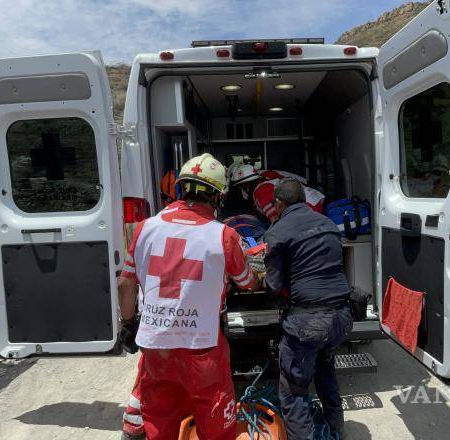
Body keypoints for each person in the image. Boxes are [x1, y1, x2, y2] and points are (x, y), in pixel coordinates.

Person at [118, 153, 260, 440]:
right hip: (203, 349)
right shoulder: (225, 236)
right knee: (217, 428)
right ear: (218, 197)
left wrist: (129, 323)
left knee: (160, 425)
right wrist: (254, 276)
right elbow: (247, 283)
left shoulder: (145, 228)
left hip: (156, 347)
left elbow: (125, 284)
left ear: (181, 188)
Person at [263, 179, 353, 439]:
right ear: (303, 199)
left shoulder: (278, 231)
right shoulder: (327, 223)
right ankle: (336, 430)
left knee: (294, 391)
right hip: (341, 318)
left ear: (279, 203)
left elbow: (273, 286)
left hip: (309, 323)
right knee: (326, 372)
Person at [227, 163, 325, 223]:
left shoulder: (261, 191)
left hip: (309, 212)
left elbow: (278, 221)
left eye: (240, 187)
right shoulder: (266, 177)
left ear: (246, 186)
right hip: (314, 201)